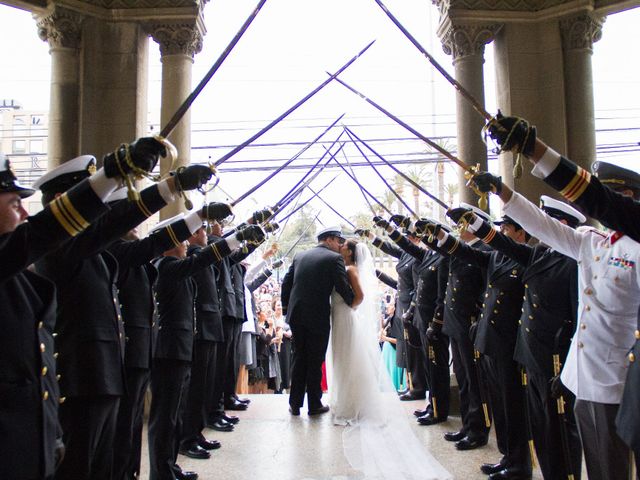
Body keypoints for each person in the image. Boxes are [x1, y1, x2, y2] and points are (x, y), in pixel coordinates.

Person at [478, 115, 640, 478]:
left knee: (613, 469)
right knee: (597, 466)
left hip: (617, 380)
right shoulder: (590, 242)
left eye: (610, 197)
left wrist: (534, 149)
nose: (596, 207)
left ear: (627, 199)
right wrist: (502, 192)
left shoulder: (636, 251)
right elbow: (542, 226)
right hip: (583, 375)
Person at [0, 147, 156, 480]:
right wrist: (111, 176)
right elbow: (42, 232)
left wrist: (168, 189)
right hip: (79, 381)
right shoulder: (57, 249)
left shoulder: (36, 264)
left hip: (89, 385)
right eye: (14, 204)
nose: (23, 214)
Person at [326, 239, 452, 480]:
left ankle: (354, 403)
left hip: (346, 316)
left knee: (351, 361)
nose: (340, 247)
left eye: (343, 246)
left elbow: (359, 297)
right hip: (344, 317)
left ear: (350, 252)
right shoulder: (344, 268)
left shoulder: (350, 269)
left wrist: (346, 309)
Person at [281, 226, 355, 415]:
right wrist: (352, 303)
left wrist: (285, 308)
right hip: (318, 316)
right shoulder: (334, 259)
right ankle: (314, 404)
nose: (340, 246)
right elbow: (341, 286)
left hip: (296, 315)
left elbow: (286, 283)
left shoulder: (300, 255)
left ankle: (295, 403)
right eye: (339, 241)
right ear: (329, 239)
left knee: (299, 357)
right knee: (315, 359)